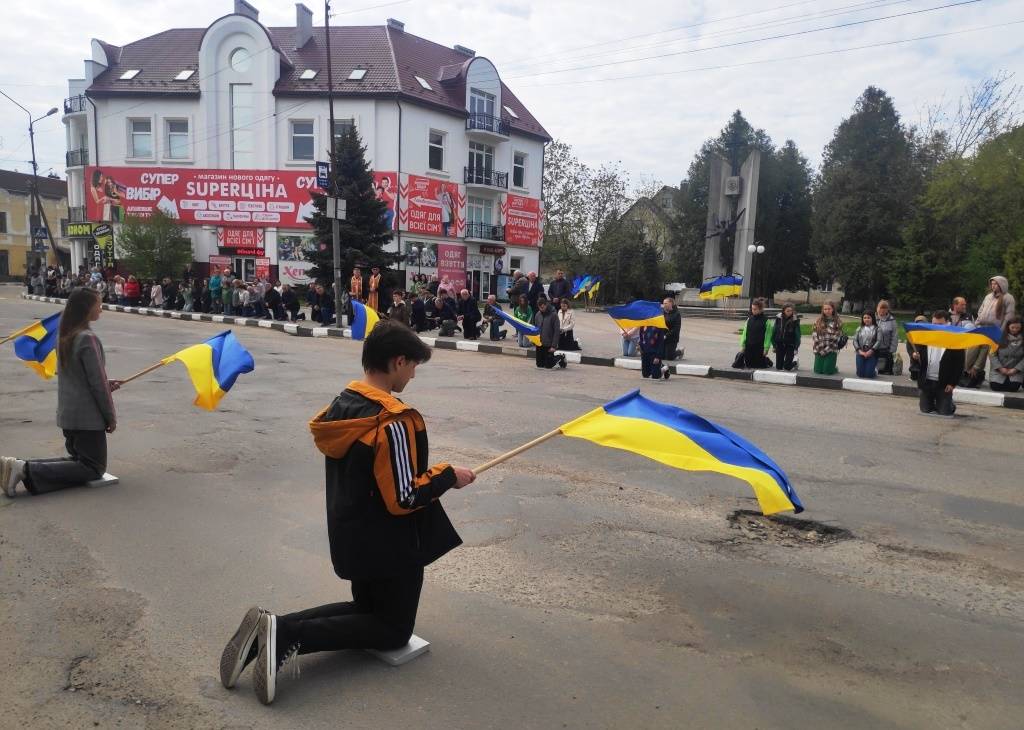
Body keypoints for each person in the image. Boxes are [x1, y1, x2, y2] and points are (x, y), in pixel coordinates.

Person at [219, 321, 476, 704]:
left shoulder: (344, 404)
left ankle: (272, 628)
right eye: (413, 366)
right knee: (392, 630)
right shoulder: (393, 421)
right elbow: (404, 497)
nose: (413, 374)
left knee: (366, 609)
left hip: (353, 535)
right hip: (392, 545)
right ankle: (288, 636)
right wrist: (447, 476)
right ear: (398, 361)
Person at [1, 289, 121, 497]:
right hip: (87, 419)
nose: (101, 309)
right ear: (86, 309)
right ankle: (26, 469)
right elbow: (97, 385)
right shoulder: (87, 338)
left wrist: (105, 383)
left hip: (68, 415)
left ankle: (18, 466)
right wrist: (110, 417)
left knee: (80, 461)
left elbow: (78, 377)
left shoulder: (65, 336)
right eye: (98, 305)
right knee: (93, 468)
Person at [964, 276, 1017, 388]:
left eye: (996, 284)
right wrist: (977, 323)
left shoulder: (1008, 298)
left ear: (1002, 285)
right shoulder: (988, 296)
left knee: (984, 352)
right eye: (992, 284)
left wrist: (1001, 331)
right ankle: (967, 370)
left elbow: (1009, 316)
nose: (993, 286)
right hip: (981, 327)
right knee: (972, 349)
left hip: (994, 330)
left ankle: (976, 373)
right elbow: (981, 310)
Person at [915, 310, 964, 417]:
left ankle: (949, 404)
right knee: (925, 410)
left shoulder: (956, 340)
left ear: (948, 323)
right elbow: (919, 356)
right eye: (934, 324)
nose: (936, 327)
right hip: (927, 381)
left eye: (940, 324)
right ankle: (932, 402)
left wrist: (952, 383)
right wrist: (916, 356)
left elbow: (959, 365)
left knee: (944, 412)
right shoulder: (925, 337)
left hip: (944, 383)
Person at [988, 316, 1023, 392]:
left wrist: (1016, 369)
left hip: (1015, 370)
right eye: (1013, 327)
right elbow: (992, 354)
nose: (1015, 330)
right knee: (996, 386)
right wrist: (1000, 368)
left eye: (1017, 328)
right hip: (999, 369)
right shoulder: (999, 337)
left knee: (1013, 387)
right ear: (1008, 327)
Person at [739, 298, 773, 369]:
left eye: (755, 309)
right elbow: (745, 333)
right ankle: (764, 360)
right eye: (752, 309)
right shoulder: (749, 319)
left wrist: (766, 349)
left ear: (761, 309)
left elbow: (768, 336)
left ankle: (766, 360)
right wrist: (743, 345)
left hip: (759, 347)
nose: (753, 311)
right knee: (749, 365)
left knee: (760, 366)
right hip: (749, 346)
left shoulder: (766, 321)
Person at [812, 301, 843, 375]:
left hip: (831, 349)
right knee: (817, 371)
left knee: (827, 371)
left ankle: (834, 368)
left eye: (829, 309)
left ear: (833, 309)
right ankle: (828, 365)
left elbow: (836, 338)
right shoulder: (818, 320)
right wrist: (820, 347)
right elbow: (814, 334)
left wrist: (826, 350)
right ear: (823, 310)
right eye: (825, 309)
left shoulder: (837, 321)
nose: (827, 311)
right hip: (819, 348)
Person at [533, 299, 566, 369]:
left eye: (542, 307)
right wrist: (534, 340)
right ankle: (546, 360)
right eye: (539, 307)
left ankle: (560, 357)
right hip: (540, 343)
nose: (541, 309)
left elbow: (556, 331)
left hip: (549, 344)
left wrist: (553, 346)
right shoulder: (537, 315)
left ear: (546, 305)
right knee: (539, 364)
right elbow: (535, 329)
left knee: (548, 365)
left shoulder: (553, 315)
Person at [772, 304, 801, 371]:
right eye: (788, 311)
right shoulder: (778, 319)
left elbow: (798, 335)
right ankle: (783, 364)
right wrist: (774, 345)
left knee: (787, 367)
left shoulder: (795, 320)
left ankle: (795, 362)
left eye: (791, 311)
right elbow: (774, 331)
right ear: (783, 311)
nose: (789, 312)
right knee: (779, 367)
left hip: (790, 344)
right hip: (780, 344)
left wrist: (796, 347)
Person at [853, 311, 881, 379]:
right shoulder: (859, 328)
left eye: (868, 317)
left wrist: (871, 351)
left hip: (872, 353)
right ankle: (863, 368)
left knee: (869, 375)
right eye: (864, 318)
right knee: (860, 374)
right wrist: (859, 351)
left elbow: (879, 341)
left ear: (872, 318)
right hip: (861, 353)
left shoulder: (877, 329)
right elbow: (855, 341)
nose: (866, 319)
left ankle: (874, 370)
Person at [875, 300, 898, 375]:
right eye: (880, 308)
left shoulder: (892, 320)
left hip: (886, 350)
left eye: (884, 308)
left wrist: (892, 349)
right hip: (874, 349)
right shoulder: (872, 318)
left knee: (885, 372)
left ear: (887, 309)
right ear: (877, 308)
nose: (882, 310)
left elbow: (895, 336)